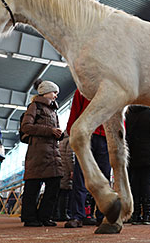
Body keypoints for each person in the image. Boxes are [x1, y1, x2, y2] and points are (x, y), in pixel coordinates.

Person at [64, 89, 111, 228]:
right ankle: (77, 216)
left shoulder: (113, 87)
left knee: (104, 179)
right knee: (81, 178)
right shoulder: (83, 90)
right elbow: (75, 113)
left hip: (106, 138)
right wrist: (72, 132)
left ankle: (102, 216)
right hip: (86, 136)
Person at [20, 79, 64, 227]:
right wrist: (50, 131)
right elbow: (26, 127)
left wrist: (59, 134)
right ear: (45, 92)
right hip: (37, 152)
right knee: (33, 187)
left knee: (54, 185)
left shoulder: (54, 111)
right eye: (54, 92)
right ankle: (30, 217)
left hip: (52, 153)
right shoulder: (34, 106)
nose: (56, 95)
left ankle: (45, 216)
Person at [53, 136, 74, 222]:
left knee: (59, 191)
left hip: (60, 167)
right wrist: (72, 169)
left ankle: (55, 214)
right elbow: (70, 155)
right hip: (66, 168)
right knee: (65, 192)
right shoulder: (70, 139)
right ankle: (63, 214)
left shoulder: (62, 139)